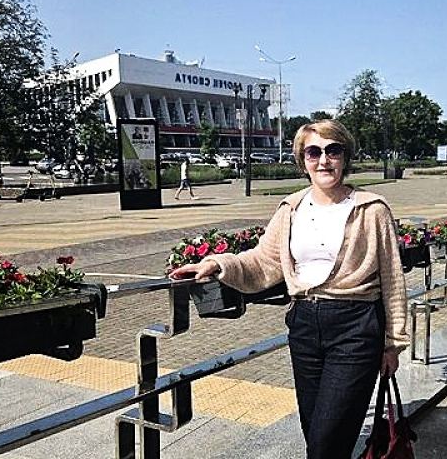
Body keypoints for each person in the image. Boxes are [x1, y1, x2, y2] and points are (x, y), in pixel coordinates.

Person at [170, 119, 408, 459]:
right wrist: (218, 264)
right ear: (302, 160)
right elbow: (263, 261)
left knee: (327, 442)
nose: (323, 160)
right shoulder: (291, 208)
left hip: (356, 328)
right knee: (315, 434)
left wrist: (393, 344)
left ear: (345, 157)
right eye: (313, 152)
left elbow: (393, 279)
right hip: (304, 326)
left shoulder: (371, 209)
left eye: (333, 150)